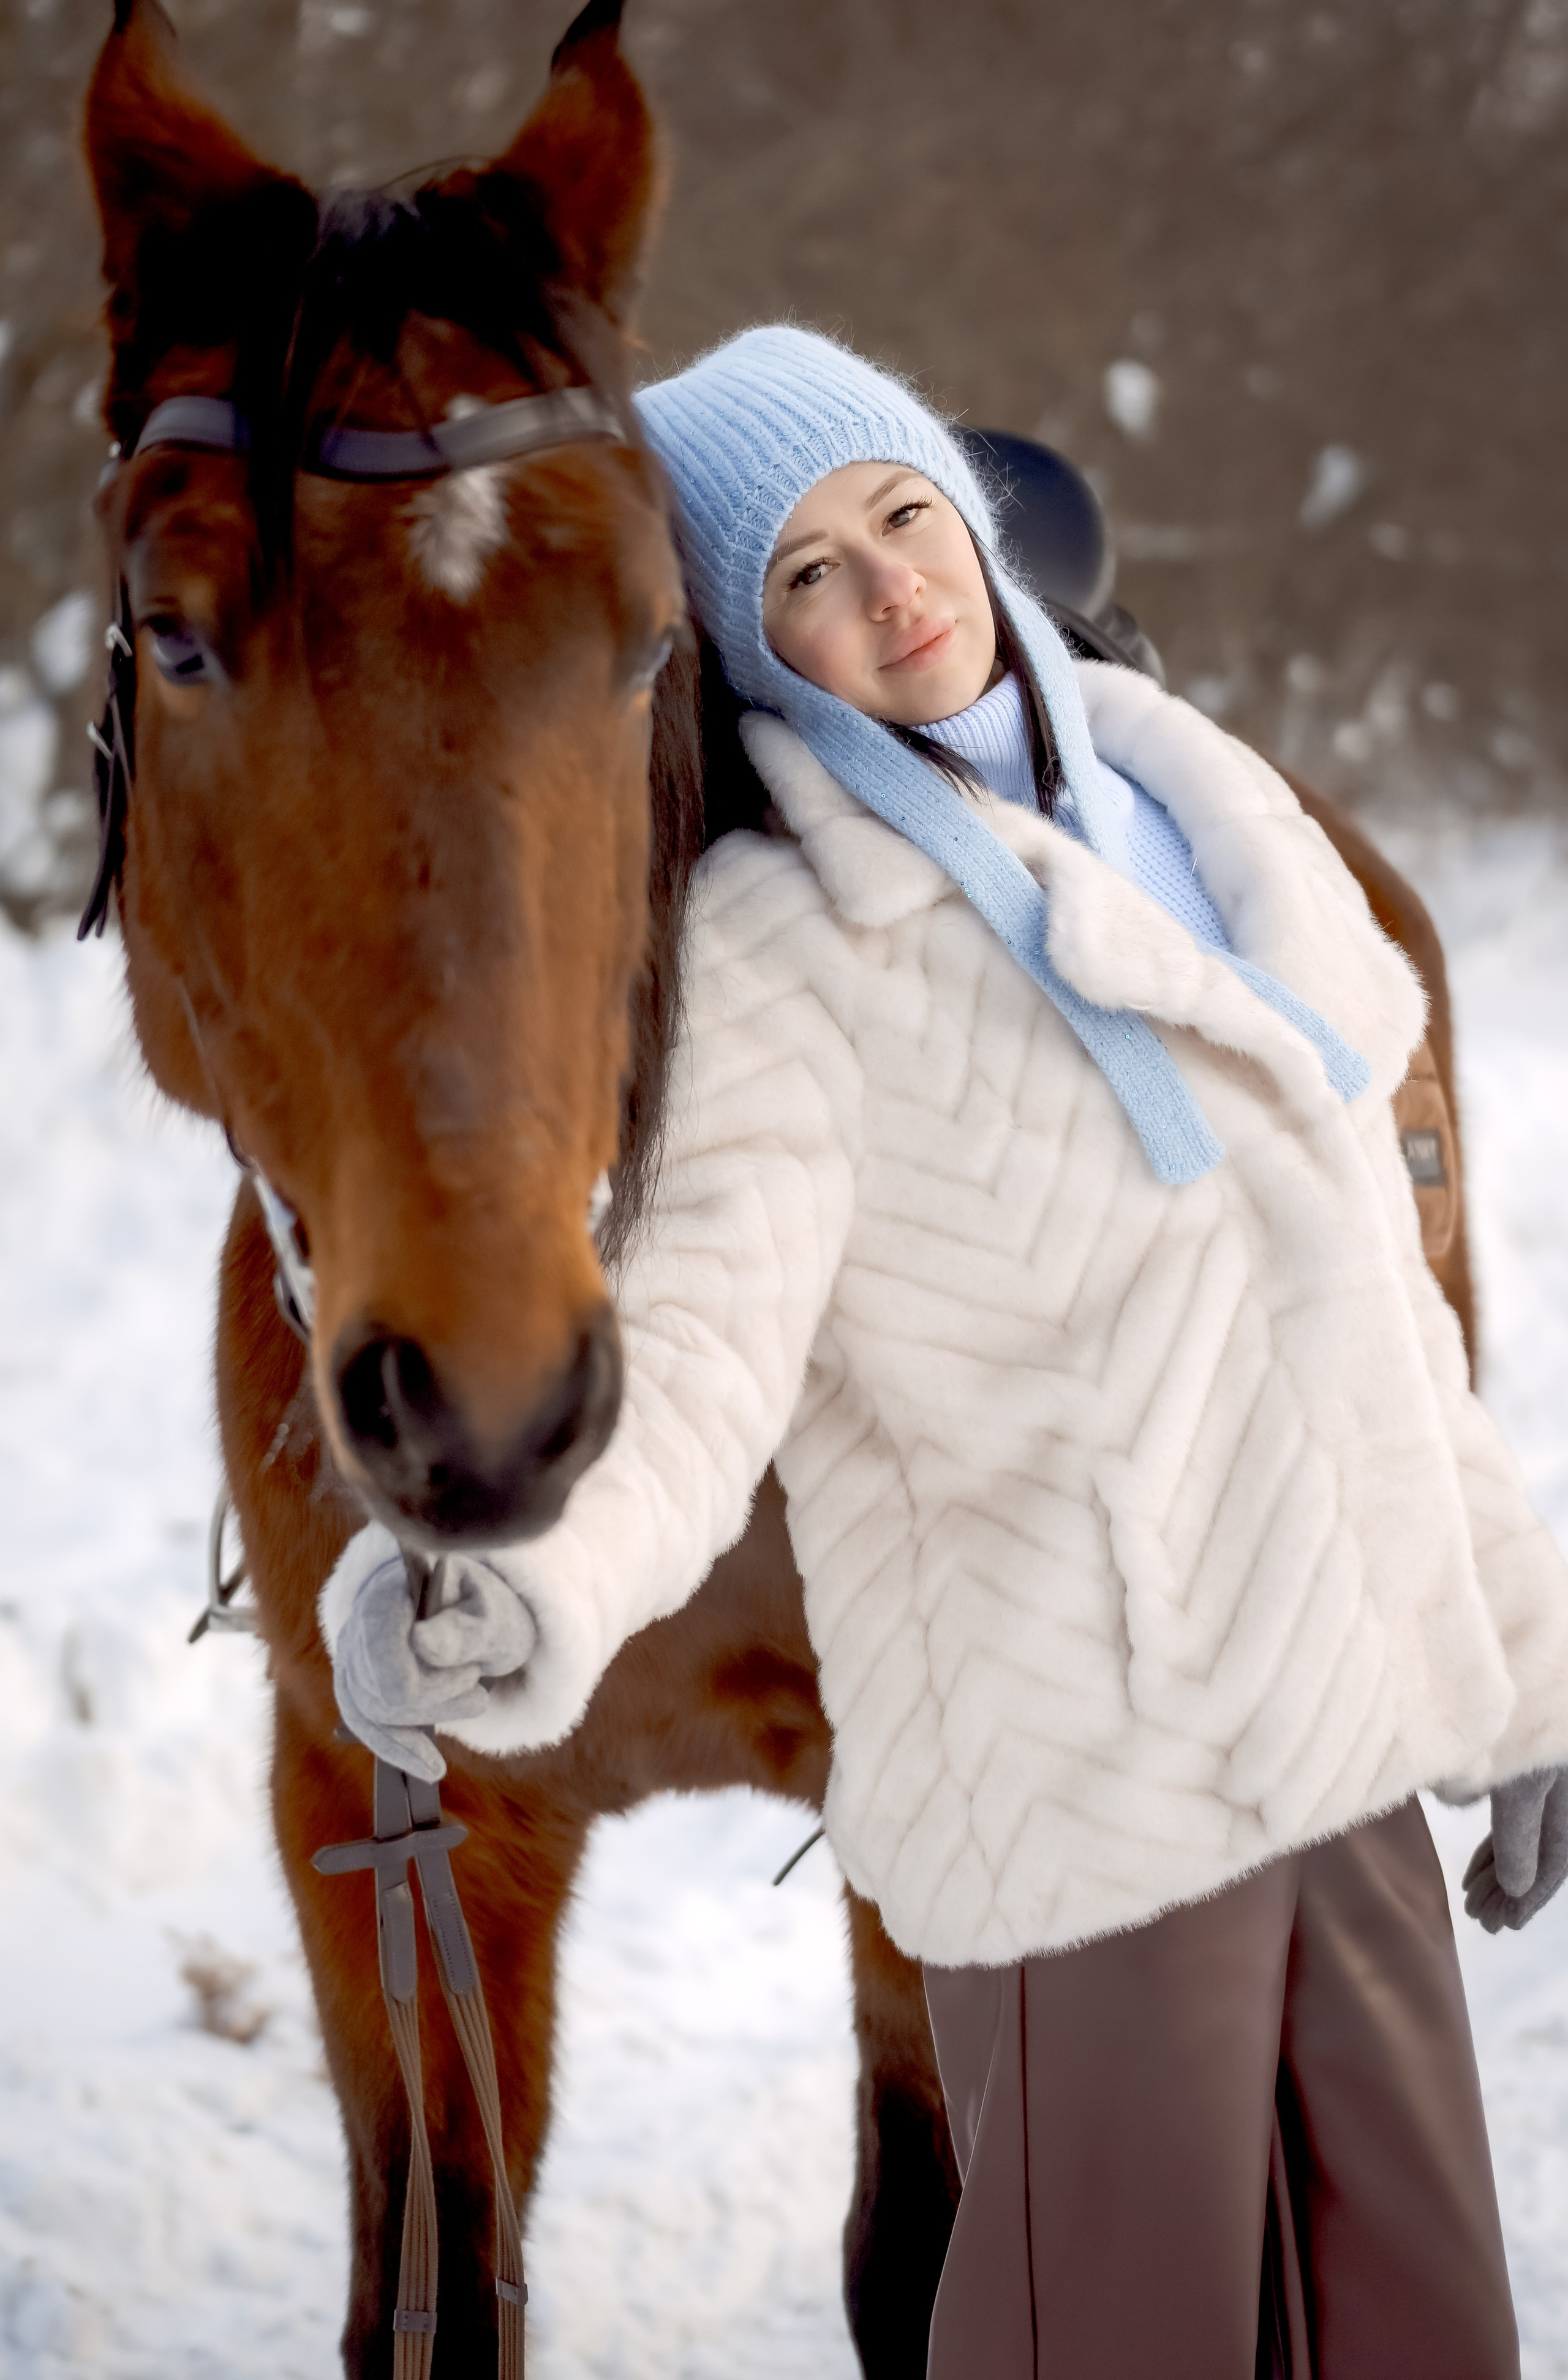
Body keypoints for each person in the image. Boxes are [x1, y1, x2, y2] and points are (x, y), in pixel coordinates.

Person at [323, 325, 1568, 2376]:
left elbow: (1374, 1334)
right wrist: (507, 1577)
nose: (888, 586)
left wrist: (1513, 1681)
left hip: (1344, 1775)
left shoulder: (1208, 828)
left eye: (902, 517)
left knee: (1413, 2330)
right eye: (806, 572)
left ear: (974, 530)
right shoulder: (790, 947)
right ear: (754, 645)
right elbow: (702, 1351)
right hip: (1079, 1833)